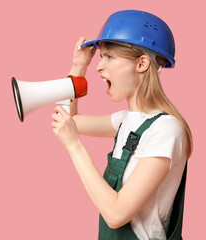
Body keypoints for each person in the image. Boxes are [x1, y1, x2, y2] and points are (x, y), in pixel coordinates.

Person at [51, 10, 192, 240]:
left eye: (110, 57)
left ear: (142, 63)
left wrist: (74, 146)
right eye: (101, 57)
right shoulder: (126, 119)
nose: (99, 67)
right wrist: (78, 69)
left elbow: (116, 214)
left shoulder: (165, 129)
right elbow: (70, 119)